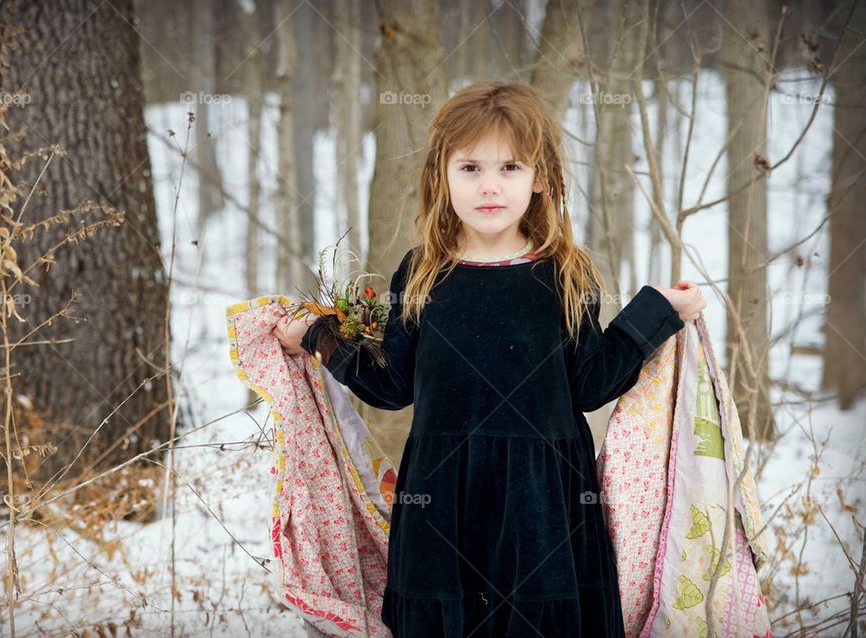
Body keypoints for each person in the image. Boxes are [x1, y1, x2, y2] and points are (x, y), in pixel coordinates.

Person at [274, 81, 705, 637]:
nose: (490, 186)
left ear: (541, 178)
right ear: (442, 175)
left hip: (544, 507)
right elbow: (391, 385)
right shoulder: (422, 272)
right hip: (442, 500)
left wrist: (658, 311)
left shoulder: (565, 273)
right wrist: (319, 335)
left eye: (510, 168)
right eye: (471, 168)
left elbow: (592, 383)